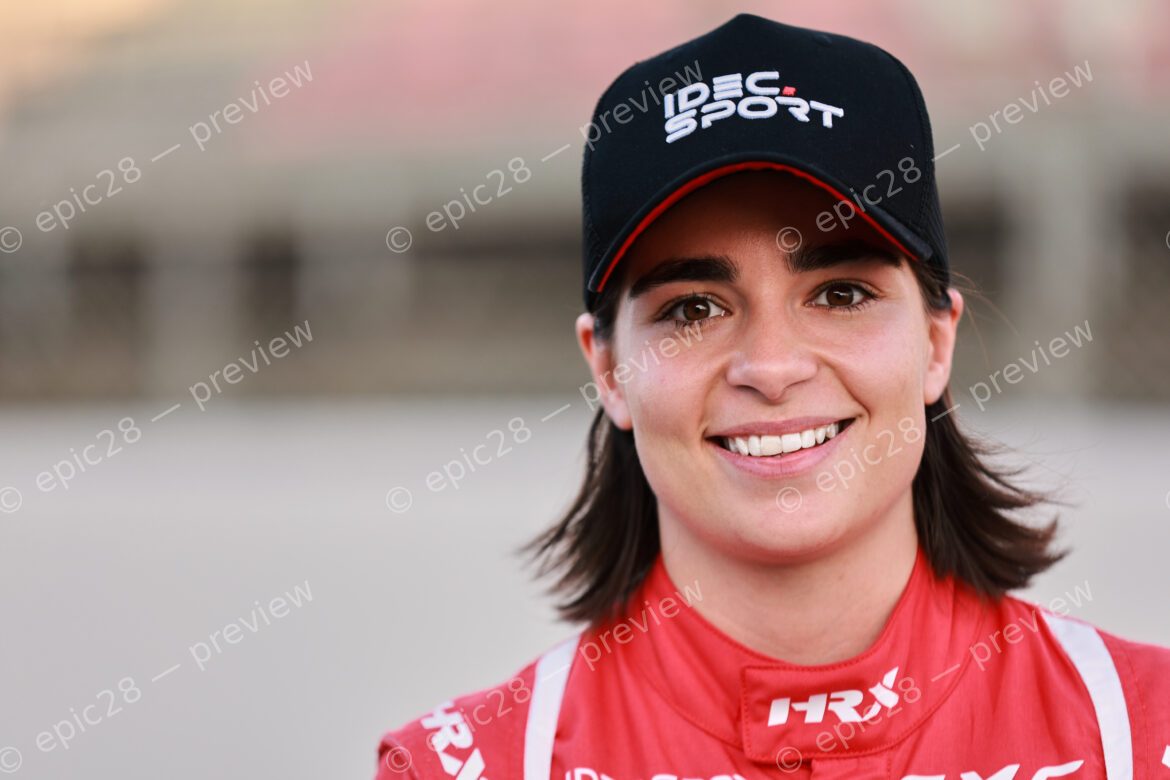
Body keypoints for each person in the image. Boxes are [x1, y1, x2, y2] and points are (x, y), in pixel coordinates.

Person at [375, 13, 1170, 779]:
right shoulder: (470, 768)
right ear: (609, 368)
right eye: (692, 308)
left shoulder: (1144, 736)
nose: (771, 365)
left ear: (936, 343)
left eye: (842, 293)